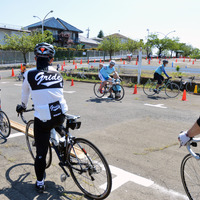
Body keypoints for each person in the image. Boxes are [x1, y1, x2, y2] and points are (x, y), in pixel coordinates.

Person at [16, 42, 68, 193]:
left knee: (41, 153)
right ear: (51, 60)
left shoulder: (29, 73)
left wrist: (22, 106)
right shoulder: (58, 73)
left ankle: (40, 182)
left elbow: (25, 94)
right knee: (58, 124)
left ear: (35, 58)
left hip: (43, 117)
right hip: (60, 113)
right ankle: (64, 144)